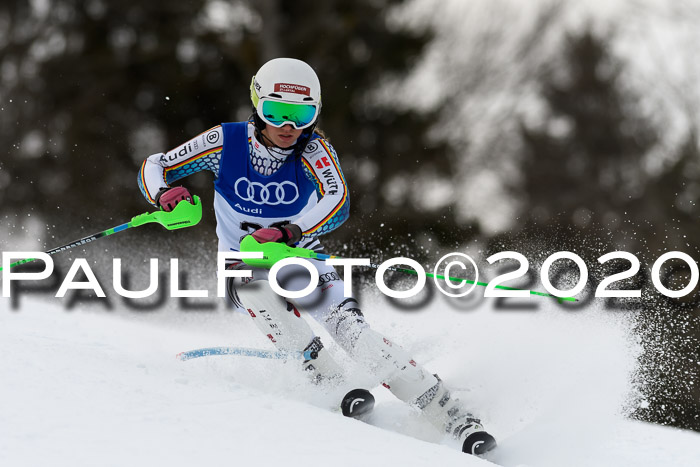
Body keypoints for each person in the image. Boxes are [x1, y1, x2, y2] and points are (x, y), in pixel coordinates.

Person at [137, 57, 496, 455]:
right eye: (276, 113)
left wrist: (291, 231)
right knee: (255, 289)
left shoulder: (313, 148)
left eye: (301, 115)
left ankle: (454, 417)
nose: (288, 127)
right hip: (243, 262)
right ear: (257, 107)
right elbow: (157, 165)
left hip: (300, 257)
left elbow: (337, 198)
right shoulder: (226, 141)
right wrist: (165, 195)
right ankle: (328, 380)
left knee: (355, 335)